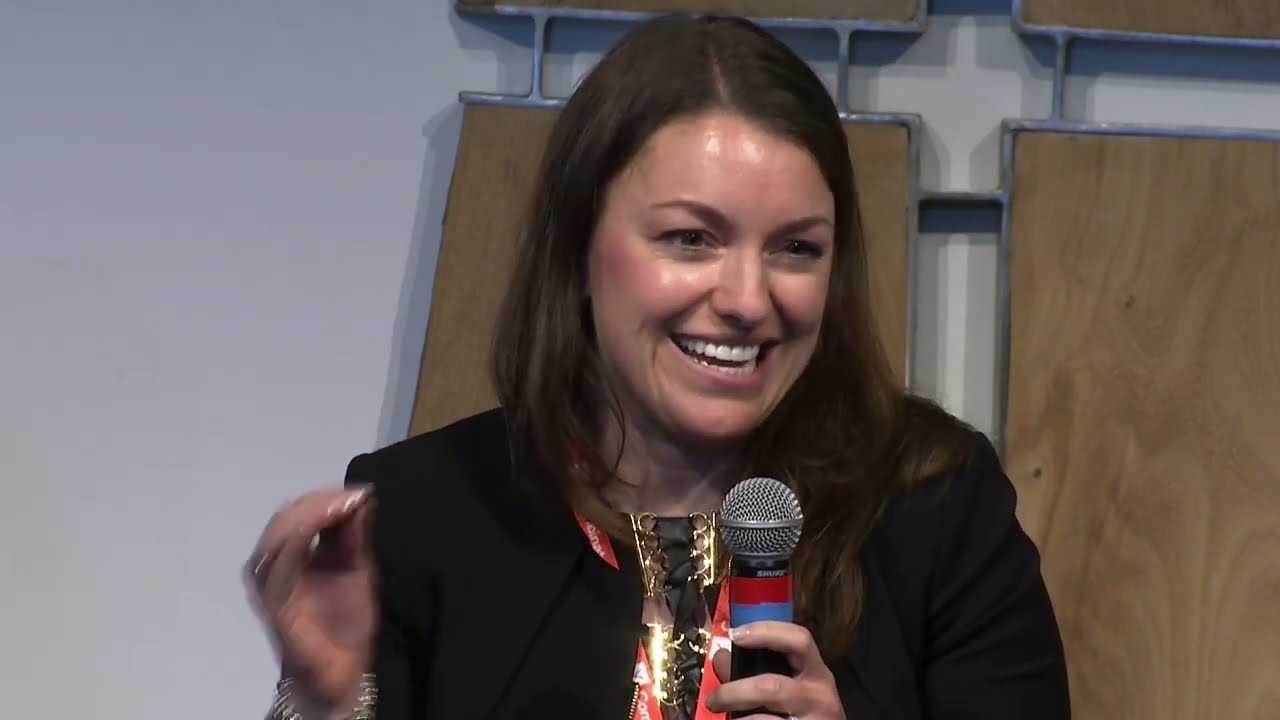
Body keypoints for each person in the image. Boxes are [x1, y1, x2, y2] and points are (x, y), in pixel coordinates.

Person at [244, 13, 1071, 720]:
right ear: (578, 252)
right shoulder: (426, 513)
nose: (747, 299)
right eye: (691, 239)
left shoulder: (936, 508)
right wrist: (328, 703)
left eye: (795, 248)